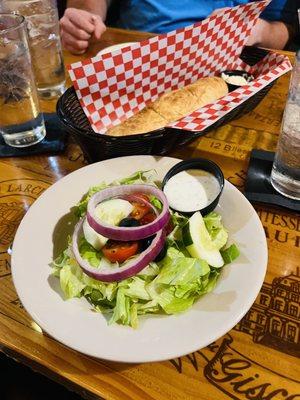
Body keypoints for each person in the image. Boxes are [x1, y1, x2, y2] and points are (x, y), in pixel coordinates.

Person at [59, 0, 298, 55]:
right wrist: (85, 19)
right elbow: (87, 6)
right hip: (136, 56)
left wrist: (261, 31)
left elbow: (286, 28)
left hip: (231, 64)